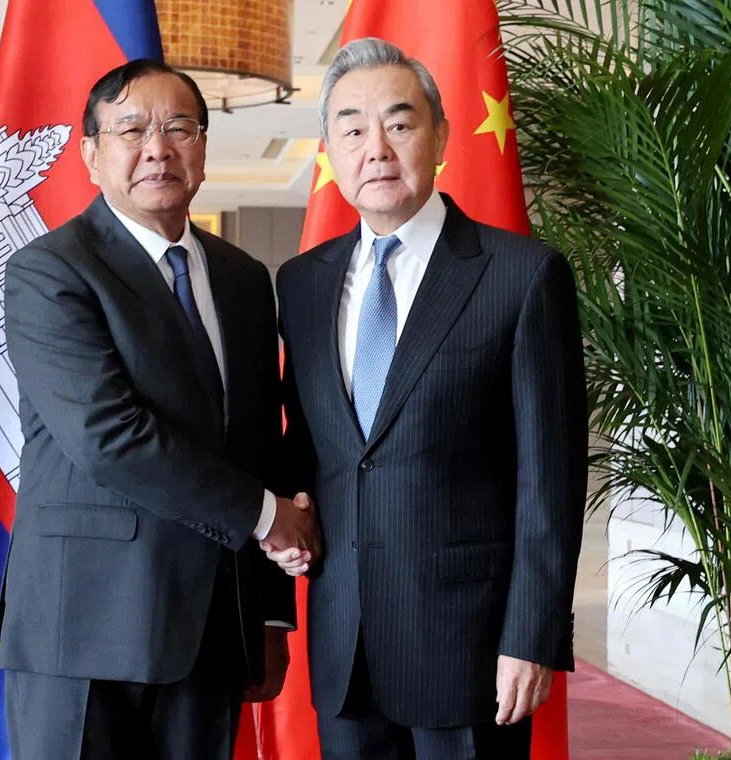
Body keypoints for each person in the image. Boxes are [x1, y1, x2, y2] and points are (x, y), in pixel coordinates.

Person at [265, 38, 587, 760]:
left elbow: (551, 477)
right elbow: (312, 450)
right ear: (330, 150)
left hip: (469, 648)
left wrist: (531, 635)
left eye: (398, 124)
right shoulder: (303, 284)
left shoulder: (521, 276)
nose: (374, 147)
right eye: (351, 129)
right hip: (346, 645)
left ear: (439, 134)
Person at [0, 59, 322, 760]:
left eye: (180, 128)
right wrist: (267, 517)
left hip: (209, 631)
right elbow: (109, 436)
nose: (158, 148)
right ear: (90, 154)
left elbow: (257, 443)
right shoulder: (49, 270)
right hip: (84, 628)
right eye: (132, 129)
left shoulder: (242, 280)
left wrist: (265, 614)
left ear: (203, 147)